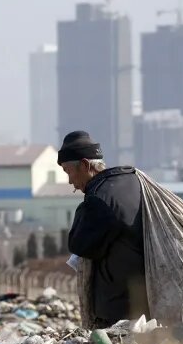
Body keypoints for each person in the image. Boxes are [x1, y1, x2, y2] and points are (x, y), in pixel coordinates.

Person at [58, 130, 149, 327]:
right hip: (149, 301)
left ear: (85, 165)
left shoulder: (99, 199)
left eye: (68, 172)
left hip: (121, 310)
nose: (70, 181)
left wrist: (84, 208)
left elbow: (80, 245)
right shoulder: (132, 182)